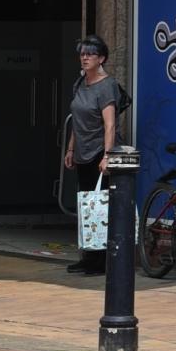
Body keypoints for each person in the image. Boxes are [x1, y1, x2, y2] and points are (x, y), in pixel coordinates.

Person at [61, 34, 130, 274]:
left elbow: (110, 124)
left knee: (101, 208)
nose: (85, 57)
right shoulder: (79, 84)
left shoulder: (106, 85)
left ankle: (102, 261)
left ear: (101, 58)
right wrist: (70, 148)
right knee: (87, 206)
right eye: (82, 54)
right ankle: (88, 256)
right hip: (82, 151)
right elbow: (76, 121)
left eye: (90, 54)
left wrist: (108, 156)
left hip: (100, 151)